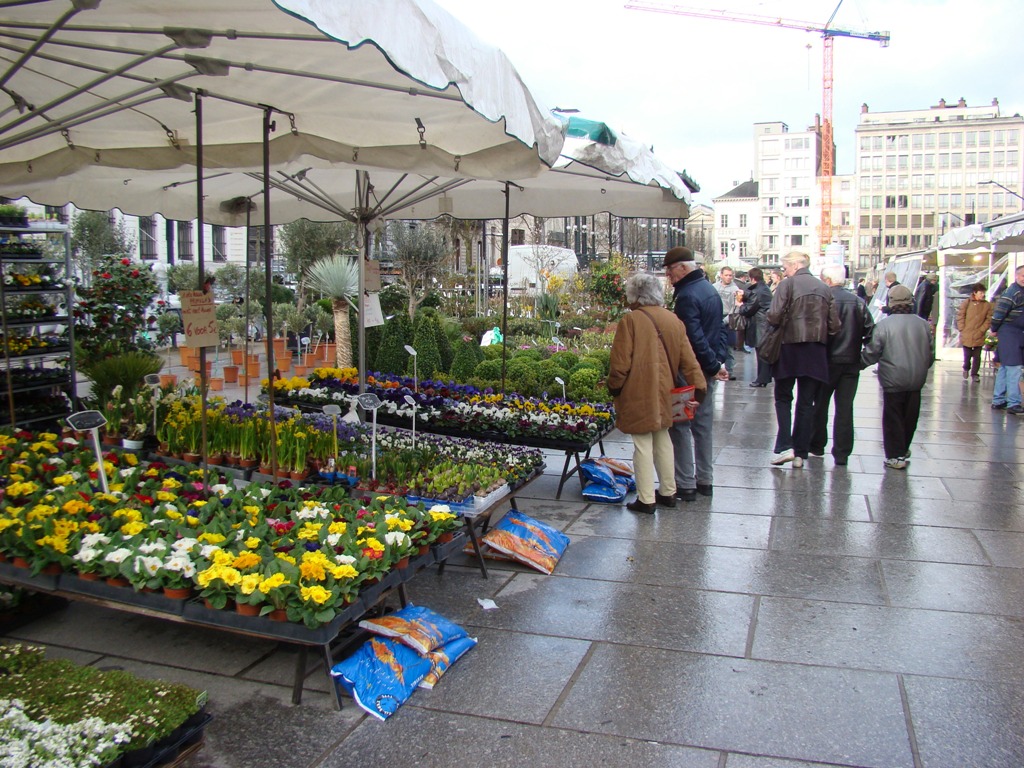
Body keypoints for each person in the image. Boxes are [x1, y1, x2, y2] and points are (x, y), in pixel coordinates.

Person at [607, 273, 707, 514]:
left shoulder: (630, 321)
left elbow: (620, 363)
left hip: (637, 391)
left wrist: (614, 387)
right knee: (663, 438)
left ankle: (646, 499)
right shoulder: (674, 320)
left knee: (642, 443)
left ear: (635, 295)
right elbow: (690, 362)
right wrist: (699, 390)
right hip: (666, 391)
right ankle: (668, 492)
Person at [664, 246, 729, 500]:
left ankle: (685, 483)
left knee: (680, 424)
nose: (669, 277)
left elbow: (692, 338)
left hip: (690, 370)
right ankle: (705, 480)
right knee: (703, 425)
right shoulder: (708, 289)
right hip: (707, 366)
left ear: (682, 267)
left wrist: (711, 365)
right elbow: (722, 329)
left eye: (670, 271)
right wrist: (717, 362)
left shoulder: (687, 296)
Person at [766, 252, 840, 468]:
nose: (784, 270)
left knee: (783, 398)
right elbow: (835, 325)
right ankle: (800, 452)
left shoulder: (787, 286)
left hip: (789, 347)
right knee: (806, 402)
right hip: (815, 350)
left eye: (785, 266)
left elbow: (773, 315)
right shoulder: (824, 288)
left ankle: (784, 446)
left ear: (795, 265)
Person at [860, 284, 933, 469]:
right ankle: (903, 449)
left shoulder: (884, 326)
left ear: (890, 303)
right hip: (916, 378)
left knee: (893, 417)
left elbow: (872, 352)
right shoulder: (923, 324)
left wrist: (857, 364)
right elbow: (930, 353)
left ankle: (894, 455)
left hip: (893, 378)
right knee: (910, 416)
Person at [810, 265, 874, 466]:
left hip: (825, 361)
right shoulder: (858, 302)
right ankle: (842, 452)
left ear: (827, 280)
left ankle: (817, 444)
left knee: (820, 405)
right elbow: (871, 333)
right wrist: (861, 360)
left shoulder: (822, 301)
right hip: (850, 363)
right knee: (845, 408)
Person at [990, 265, 1024, 415]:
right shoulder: (1012, 292)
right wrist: (995, 329)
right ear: (1017, 276)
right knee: (1014, 367)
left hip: (1016, 333)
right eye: (1023, 275)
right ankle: (1013, 402)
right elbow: (998, 314)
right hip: (1009, 332)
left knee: (1005, 367)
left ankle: (998, 400)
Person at [739, 267, 773, 387]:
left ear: (752, 278)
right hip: (764, 324)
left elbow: (749, 309)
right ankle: (763, 377)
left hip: (760, 325)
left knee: (762, 352)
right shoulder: (764, 288)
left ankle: (762, 378)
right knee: (762, 352)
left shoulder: (758, 291)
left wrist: (740, 305)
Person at [956, 283, 993, 382]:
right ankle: (966, 367)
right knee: (967, 355)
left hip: (979, 334)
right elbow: (960, 316)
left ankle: (975, 374)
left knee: (977, 356)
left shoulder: (987, 305)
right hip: (967, 333)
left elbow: (988, 319)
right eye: (981, 293)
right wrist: (962, 328)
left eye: (983, 293)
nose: (983, 295)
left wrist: (982, 330)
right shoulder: (967, 303)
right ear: (975, 293)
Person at [713, 266, 740, 378]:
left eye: (730, 275)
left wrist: (725, 320)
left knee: (729, 347)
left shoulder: (736, 290)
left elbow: (736, 307)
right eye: (726, 275)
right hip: (715, 317)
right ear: (721, 275)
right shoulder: (714, 287)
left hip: (729, 319)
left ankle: (730, 371)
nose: (728, 277)